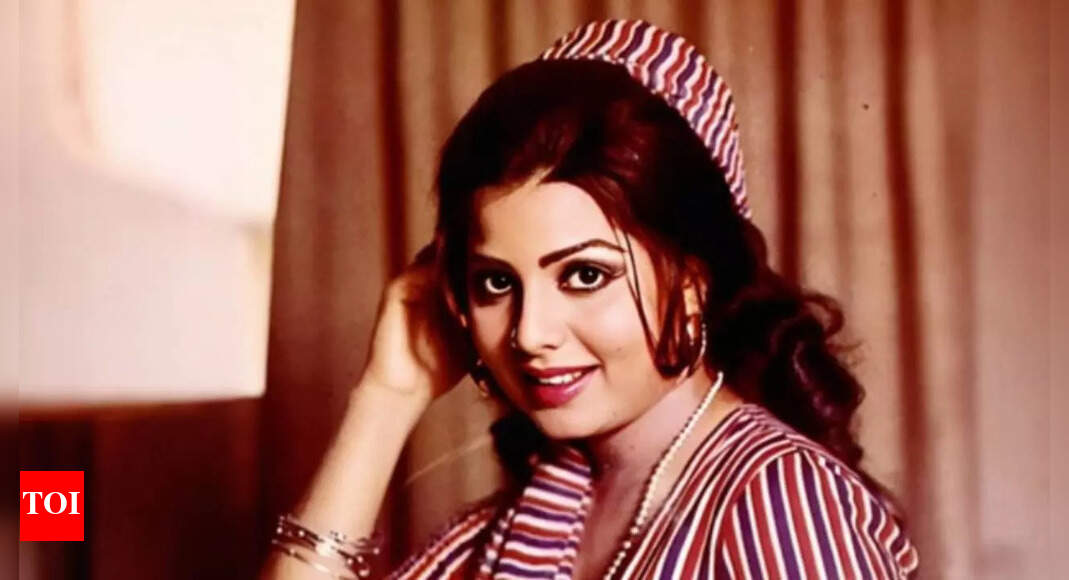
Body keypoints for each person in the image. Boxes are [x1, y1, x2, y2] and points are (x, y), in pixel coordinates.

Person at [262, 19, 919, 580]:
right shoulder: (533, 519)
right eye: (497, 282)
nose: (529, 333)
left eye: (583, 275)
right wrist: (385, 400)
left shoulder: (779, 501)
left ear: (692, 280)